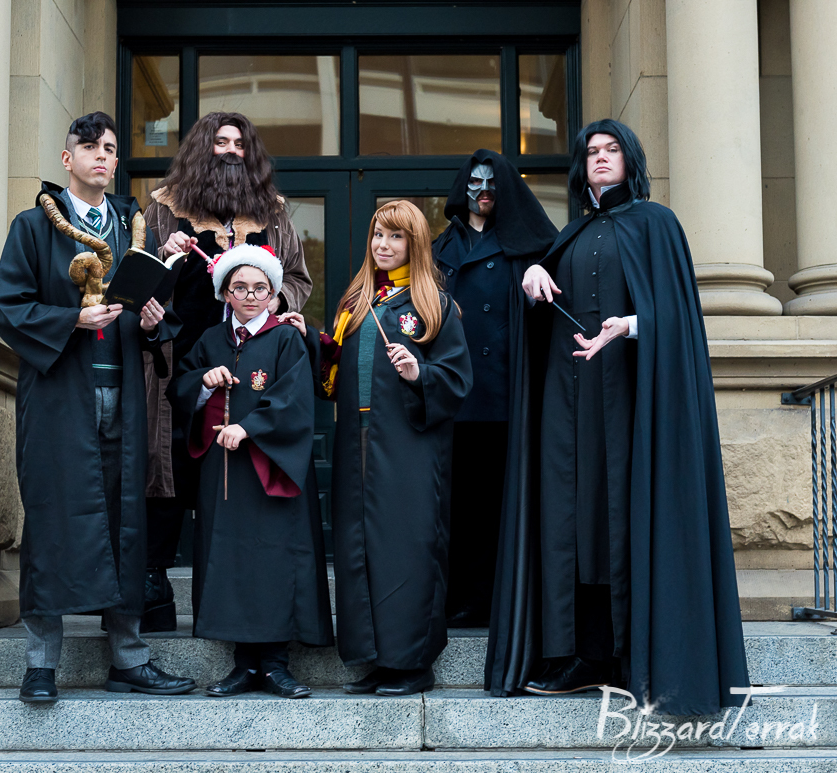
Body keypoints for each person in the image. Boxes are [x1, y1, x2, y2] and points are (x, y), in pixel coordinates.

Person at [484, 119, 749, 714]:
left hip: (636, 405)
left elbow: (681, 318)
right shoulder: (571, 235)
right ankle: (587, 655)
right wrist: (533, 276)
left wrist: (627, 326)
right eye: (591, 152)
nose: (601, 158)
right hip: (570, 408)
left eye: (612, 150)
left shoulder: (656, 223)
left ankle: (644, 661)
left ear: (630, 160)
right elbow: (543, 317)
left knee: (628, 515)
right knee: (574, 524)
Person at [0, 111, 196, 703]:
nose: (102, 155)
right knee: (52, 520)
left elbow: (155, 318)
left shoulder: (132, 231)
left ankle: (128, 658)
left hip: (125, 398)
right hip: (60, 398)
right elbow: (9, 309)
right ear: (68, 159)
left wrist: (154, 321)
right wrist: (72, 320)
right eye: (90, 147)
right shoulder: (34, 227)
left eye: (109, 147)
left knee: (125, 523)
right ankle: (40, 665)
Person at [283, 201, 473, 697]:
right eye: (377, 235)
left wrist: (418, 372)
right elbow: (333, 377)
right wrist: (309, 339)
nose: (383, 245)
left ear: (415, 243)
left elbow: (456, 380)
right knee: (361, 551)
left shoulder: (433, 305)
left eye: (395, 236)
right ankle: (378, 660)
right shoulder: (357, 303)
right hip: (356, 446)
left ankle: (413, 664)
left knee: (406, 552)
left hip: (410, 449)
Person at [140, 112, 313, 632]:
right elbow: (139, 278)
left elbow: (297, 278)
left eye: (239, 143)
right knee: (167, 468)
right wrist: (164, 255)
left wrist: (268, 301)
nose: (232, 150)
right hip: (177, 364)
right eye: (220, 142)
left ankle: (245, 596)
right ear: (203, 149)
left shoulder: (273, 211)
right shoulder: (163, 206)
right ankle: (153, 587)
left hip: (250, 366)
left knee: (235, 475)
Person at [169, 243, 333, 699]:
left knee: (275, 561)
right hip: (224, 474)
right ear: (225, 293)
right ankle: (243, 665)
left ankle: (276, 665)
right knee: (232, 561)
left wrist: (249, 427)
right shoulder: (210, 340)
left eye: (261, 288)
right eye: (239, 288)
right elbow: (180, 386)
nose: (250, 296)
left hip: (271, 468)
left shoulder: (286, 339)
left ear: (274, 294)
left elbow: (294, 399)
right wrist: (204, 383)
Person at [433, 149, 558, 627]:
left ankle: (493, 598)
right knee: (455, 502)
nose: (483, 191)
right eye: (475, 182)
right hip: (450, 393)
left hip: (503, 395)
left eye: (492, 183)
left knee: (494, 502)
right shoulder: (441, 247)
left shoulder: (528, 247)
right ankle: (457, 595)